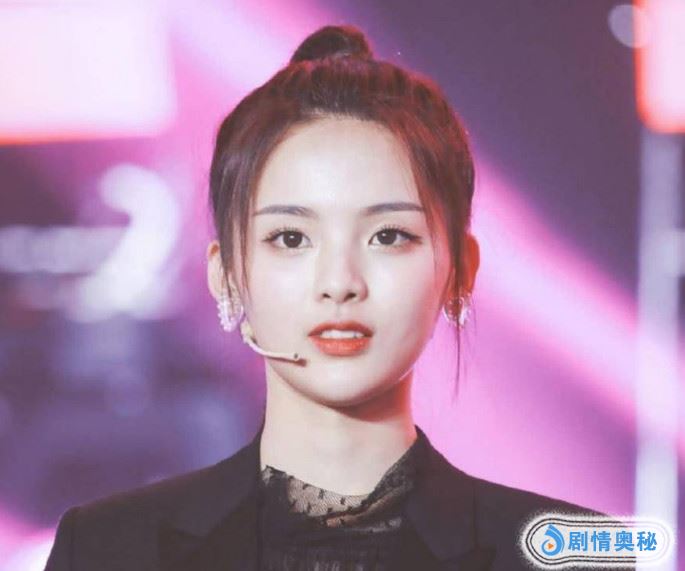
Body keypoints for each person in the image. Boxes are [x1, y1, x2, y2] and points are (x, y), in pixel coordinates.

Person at [45, 24, 616, 571]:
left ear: (461, 270)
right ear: (226, 275)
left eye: (388, 236)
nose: (339, 282)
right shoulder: (106, 551)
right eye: (291, 238)